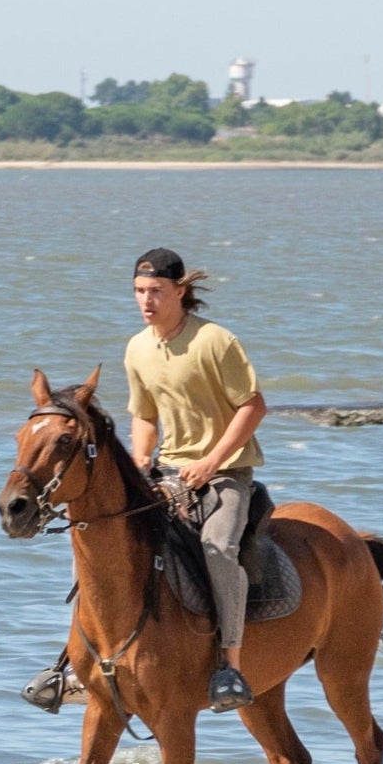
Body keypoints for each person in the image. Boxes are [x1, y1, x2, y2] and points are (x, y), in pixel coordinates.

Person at [124, 246, 267, 712]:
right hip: (167, 471)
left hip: (225, 474)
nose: (147, 301)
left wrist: (211, 462)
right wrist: (141, 457)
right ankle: (79, 659)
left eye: (157, 292)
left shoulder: (215, 342)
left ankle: (230, 665)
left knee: (217, 550)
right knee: (104, 536)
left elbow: (253, 407)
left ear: (180, 292)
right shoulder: (138, 347)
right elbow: (144, 414)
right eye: (140, 292)